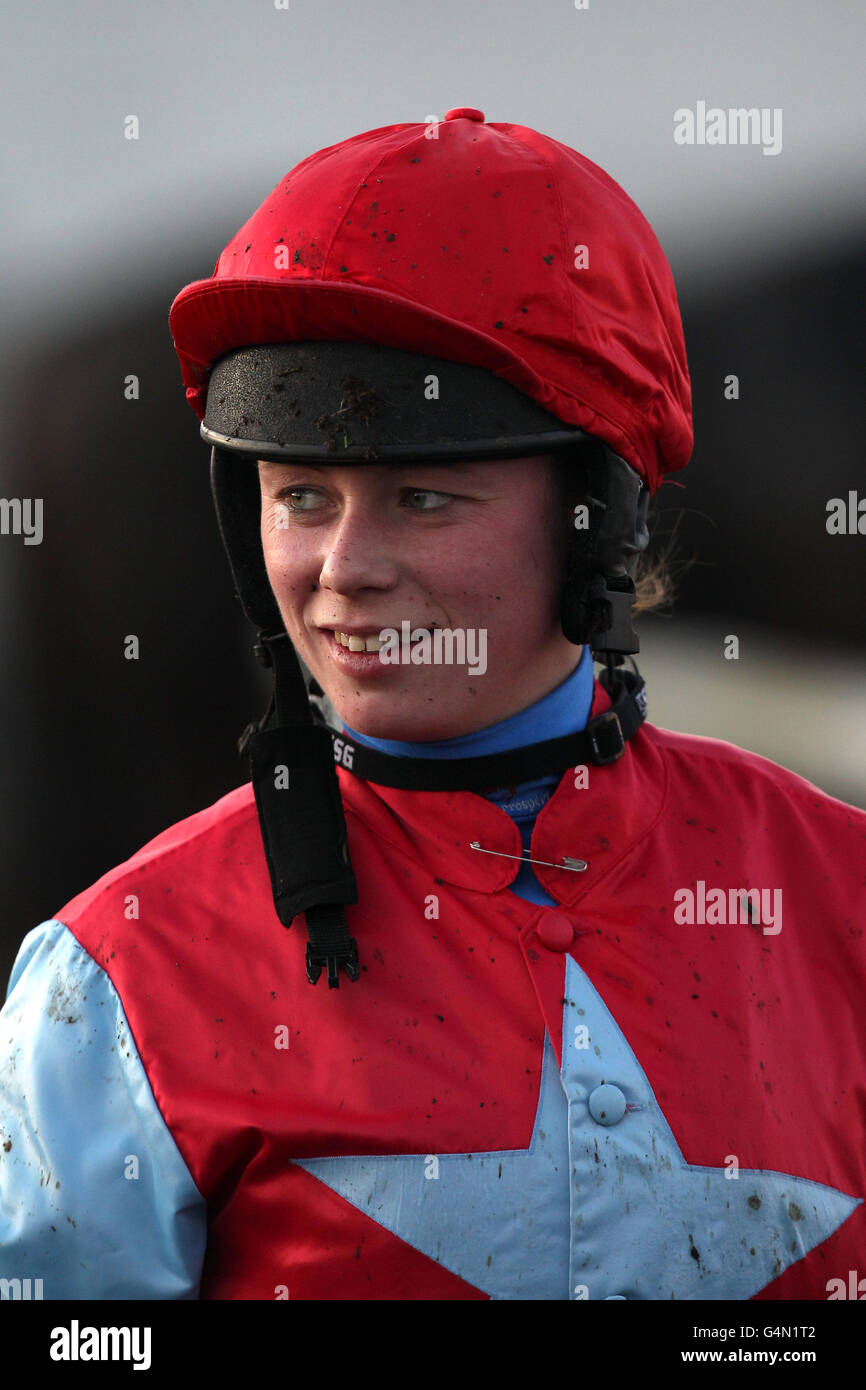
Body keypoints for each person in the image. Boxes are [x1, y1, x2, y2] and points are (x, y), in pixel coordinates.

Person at [1, 108, 864, 1303]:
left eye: (420, 498)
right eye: (300, 497)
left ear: (594, 519)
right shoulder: (105, 988)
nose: (342, 568)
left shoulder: (842, 904)